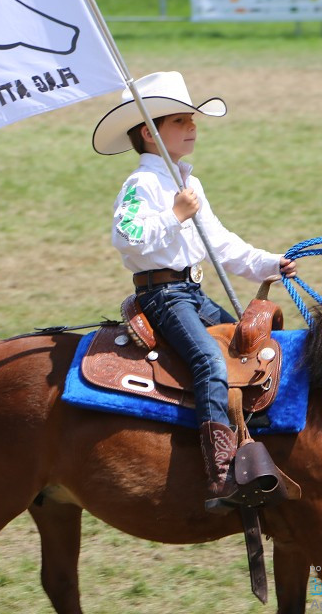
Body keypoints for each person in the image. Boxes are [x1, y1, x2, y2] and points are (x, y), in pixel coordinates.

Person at [92, 71, 297, 514]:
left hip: (192, 290)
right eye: (181, 121)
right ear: (150, 132)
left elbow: (219, 243)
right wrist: (175, 216)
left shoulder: (187, 183)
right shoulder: (142, 184)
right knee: (207, 359)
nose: (192, 128)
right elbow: (127, 237)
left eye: (192, 120)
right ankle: (220, 472)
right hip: (162, 295)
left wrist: (268, 263)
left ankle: (251, 441)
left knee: (247, 349)